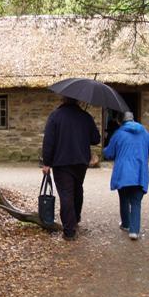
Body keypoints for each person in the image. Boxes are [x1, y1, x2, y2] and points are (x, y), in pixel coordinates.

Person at [41, 96, 100, 240]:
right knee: (77, 188)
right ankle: (76, 218)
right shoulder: (85, 117)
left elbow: (49, 141)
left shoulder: (55, 116)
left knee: (66, 194)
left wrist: (47, 163)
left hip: (61, 162)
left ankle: (69, 231)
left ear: (63, 99)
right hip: (81, 161)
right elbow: (96, 139)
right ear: (78, 101)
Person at [103, 111, 149, 240]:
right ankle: (134, 231)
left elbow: (109, 153)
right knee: (136, 202)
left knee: (124, 198)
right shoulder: (144, 132)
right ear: (133, 119)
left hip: (123, 173)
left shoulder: (118, 134)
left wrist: (105, 150)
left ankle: (126, 224)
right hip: (140, 173)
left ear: (121, 121)